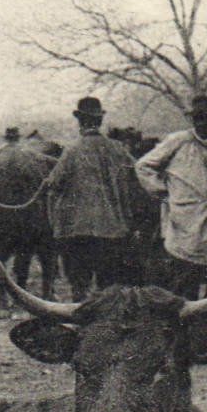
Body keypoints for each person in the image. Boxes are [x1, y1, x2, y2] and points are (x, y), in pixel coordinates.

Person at [135, 95, 207, 299]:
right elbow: (143, 166)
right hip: (183, 226)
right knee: (182, 287)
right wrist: (164, 192)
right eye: (198, 118)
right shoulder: (178, 141)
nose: (202, 123)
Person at [45, 96, 148, 299]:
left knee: (79, 288)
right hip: (113, 230)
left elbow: (54, 183)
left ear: (80, 121)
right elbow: (139, 175)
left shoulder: (72, 150)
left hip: (77, 231)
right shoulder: (118, 149)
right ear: (99, 120)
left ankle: (81, 314)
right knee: (108, 288)